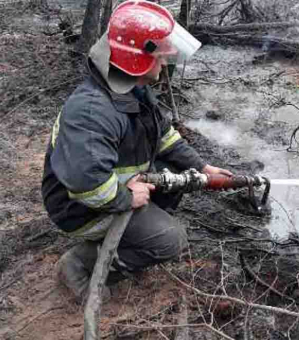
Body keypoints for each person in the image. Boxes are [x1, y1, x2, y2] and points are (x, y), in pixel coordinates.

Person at [41, 0, 232, 299]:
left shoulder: (133, 87)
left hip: (113, 188)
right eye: (161, 57)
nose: (166, 62)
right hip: (80, 207)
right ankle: (80, 263)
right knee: (170, 240)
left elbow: (164, 136)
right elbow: (85, 185)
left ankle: (135, 229)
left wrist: (202, 168)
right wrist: (125, 197)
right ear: (137, 61)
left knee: (181, 172)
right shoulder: (91, 112)